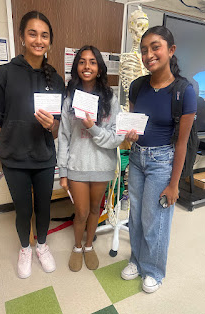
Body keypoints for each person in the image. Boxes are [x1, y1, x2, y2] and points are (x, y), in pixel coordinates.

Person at [0, 11, 65, 279]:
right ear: (21, 37)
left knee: (44, 206)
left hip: (43, 156)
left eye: (44, 35)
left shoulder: (55, 79)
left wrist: (49, 126)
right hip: (14, 157)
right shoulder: (4, 74)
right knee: (23, 209)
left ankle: (41, 246)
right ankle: (25, 248)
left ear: (50, 42)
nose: (38, 40)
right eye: (32, 33)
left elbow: (56, 128)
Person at [121, 26, 197, 293]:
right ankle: (137, 260)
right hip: (137, 157)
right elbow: (132, 126)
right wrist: (128, 135)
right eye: (144, 50)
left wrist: (174, 184)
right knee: (137, 216)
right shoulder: (137, 86)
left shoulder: (184, 91)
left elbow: (181, 143)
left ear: (170, 50)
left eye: (155, 47)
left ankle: (153, 270)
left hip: (163, 162)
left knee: (156, 219)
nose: (149, 54)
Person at [57, 45, 124, 272]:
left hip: (102, 165)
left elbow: (116, 137)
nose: (87, 66)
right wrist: (63, 172)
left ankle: (88, 246)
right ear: (77, 66)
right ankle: (77, 247)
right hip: (77, 165)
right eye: (83, 61)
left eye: (92, 62)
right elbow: (64, 137)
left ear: (99, 68)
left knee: (96, 209)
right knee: (82, 212)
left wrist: (92, 128)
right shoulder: (70, 98)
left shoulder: (110, 99)